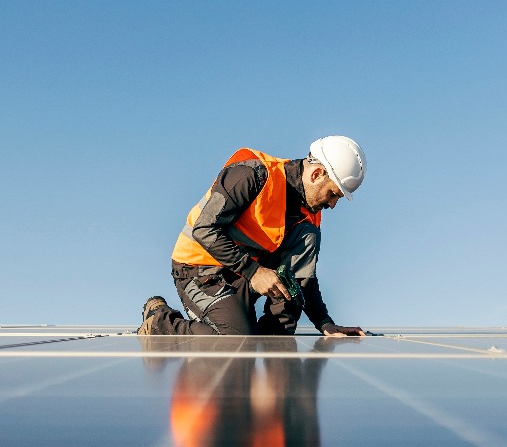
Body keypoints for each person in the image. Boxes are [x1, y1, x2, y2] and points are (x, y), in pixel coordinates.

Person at [138, 136, 368, 337]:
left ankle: (270, 335)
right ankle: (159, 320)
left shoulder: (310, 213)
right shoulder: (251, 175)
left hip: (245, 271)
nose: (333, 204)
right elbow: (204, 229)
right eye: (333, 194)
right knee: (234, 340)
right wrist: (254, 272)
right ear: (317, 174)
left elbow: (304, 275)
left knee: (273, 337)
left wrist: (324, 323)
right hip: (199, 270)